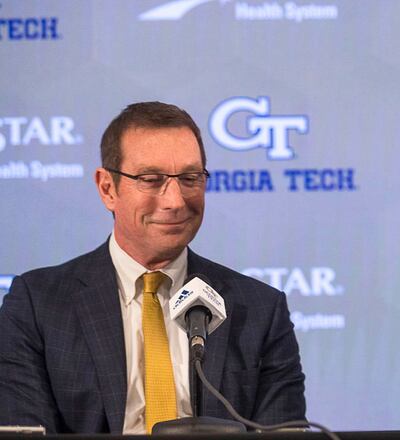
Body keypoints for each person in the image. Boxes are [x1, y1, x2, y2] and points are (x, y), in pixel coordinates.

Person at [0, 102, 306, 434]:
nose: (175, 200)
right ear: (107, 188)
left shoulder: (260, 310)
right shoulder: (38, 305)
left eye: (190, 178)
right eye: (151, 179)